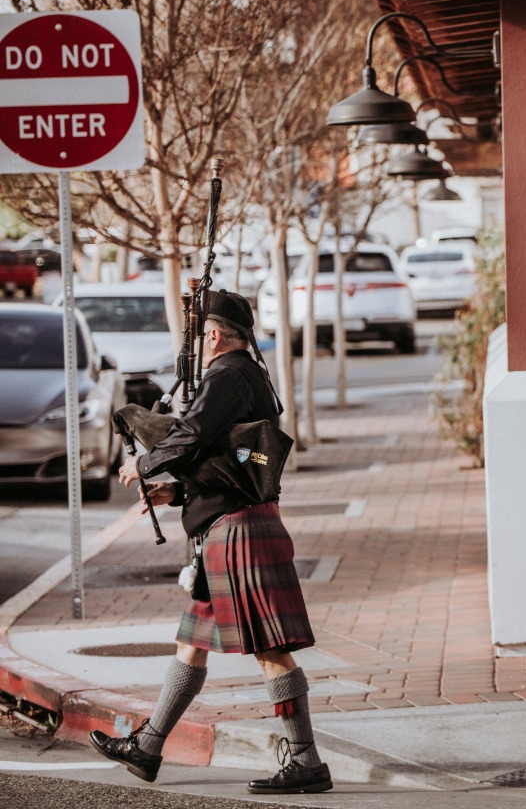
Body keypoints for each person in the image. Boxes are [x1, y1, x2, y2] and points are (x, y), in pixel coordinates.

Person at [88, 290, 330, 795]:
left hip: (239, 530)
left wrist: (144, 463)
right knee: (192, 643)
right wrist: (175, 490)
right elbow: (226, 462)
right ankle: (149, 746)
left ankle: (306, 761)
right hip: (230, 523)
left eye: (203, 334)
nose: (200, 343)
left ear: (215, 335)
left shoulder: (227, 376)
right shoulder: (247, 376)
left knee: (271, 650)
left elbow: (194, 435)